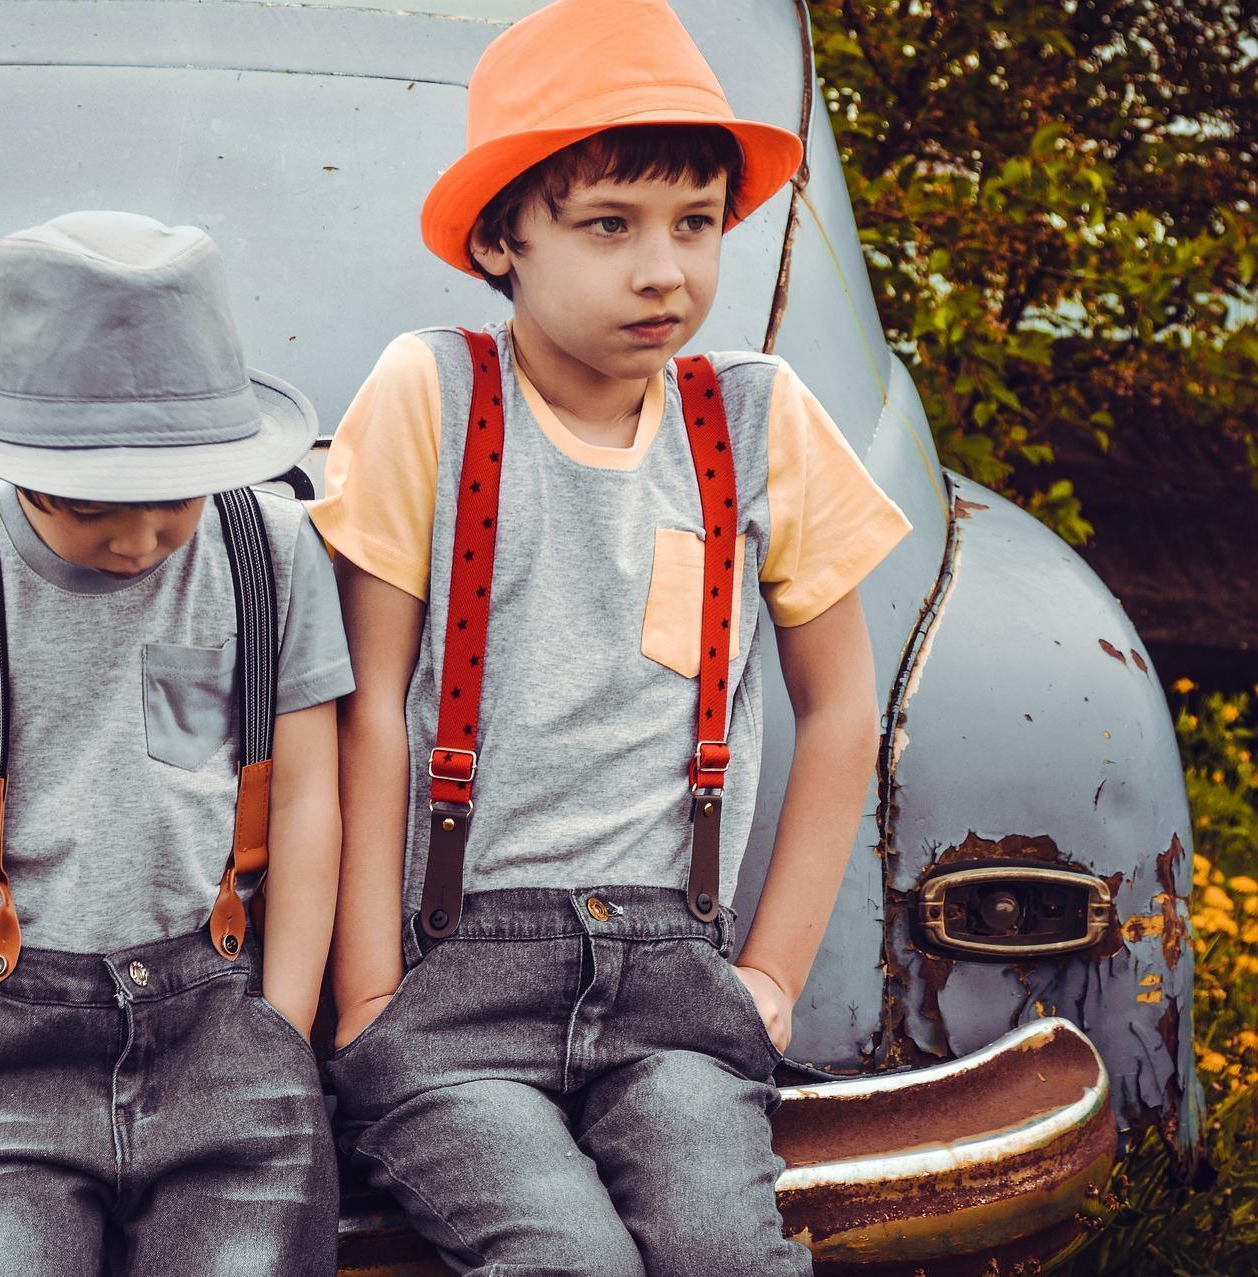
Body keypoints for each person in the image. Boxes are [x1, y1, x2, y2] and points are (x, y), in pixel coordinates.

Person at [309, 2, 912, 1273]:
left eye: (696, 225)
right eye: (609, 225)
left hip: (675, 992)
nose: (665, 270)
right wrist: (367, 994)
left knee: (722, 1248)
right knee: (564, 1258)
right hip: (451, 982)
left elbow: (845, 704)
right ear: (499, 239)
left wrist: (772, 977)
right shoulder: (434, 394)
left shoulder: (759, 419)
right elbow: (365, 705)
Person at [0, 210, 351, 1277]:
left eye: (173, 503)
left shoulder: (273, 554)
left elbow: (304, 799)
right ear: (13, 461)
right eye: (90, 506)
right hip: (6, 1055)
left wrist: (284, 1033)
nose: (137, 538)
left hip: (220, 1033)